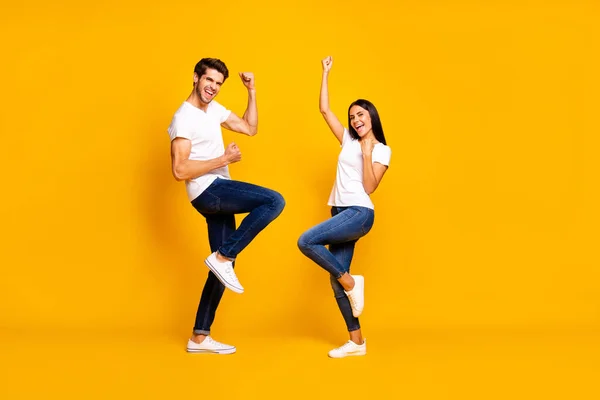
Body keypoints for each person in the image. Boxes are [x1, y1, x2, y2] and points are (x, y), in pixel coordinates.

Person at [168, 58, 285, 354]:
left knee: (221, 269)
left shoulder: (214, 110)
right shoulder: (184, 118)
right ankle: (223, 256)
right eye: (209, 81)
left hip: (215, 192)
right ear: (196, 78)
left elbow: (249, 128)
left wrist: (252, 91)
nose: (214, 88)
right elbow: (179, 170)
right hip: (208, 191)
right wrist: (223, 160)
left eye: (219, 84)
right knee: (274, 200)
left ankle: (199, 336)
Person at [297, 56, 392, 358]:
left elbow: (370, 186)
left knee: (306, 241)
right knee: (335, 279)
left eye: (360, 115)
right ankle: (357, 342)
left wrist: (366, 154)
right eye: (352, 117)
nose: (355, 120)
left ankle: (352, 281)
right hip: (339, 211)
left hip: (360, 213)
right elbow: (324, 110)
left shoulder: (381, 150)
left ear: (372, 117)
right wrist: (325, 72)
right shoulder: (347, 141)